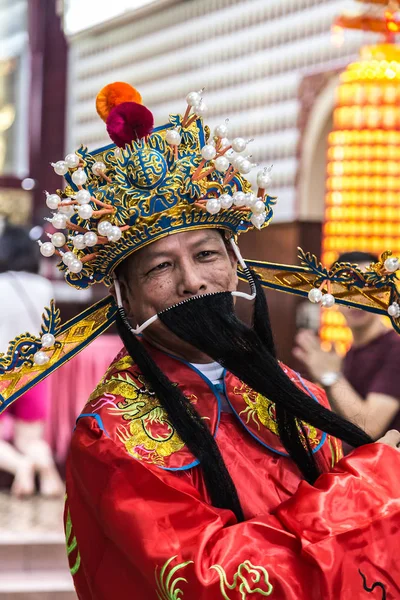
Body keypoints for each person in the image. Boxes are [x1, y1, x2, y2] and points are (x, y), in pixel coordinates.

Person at [1, 82, 400, 599]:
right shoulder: (116, 437)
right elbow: (213, 579)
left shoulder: (293, 388)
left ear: (236, 266)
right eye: (162, 267)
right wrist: (371, 488)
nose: (192, 281)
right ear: (124, 295)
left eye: (207, 255)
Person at [294, 251, 400, 442]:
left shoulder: (396, 349)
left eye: (368, 287)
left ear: (384, 293)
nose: (357, 299)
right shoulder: (349, 354)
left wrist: (331, 376)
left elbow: (369, 428)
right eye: (347, 288)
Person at [0, 222, 64, 497]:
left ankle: (20, 466)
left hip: (2, 368)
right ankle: (48, 476)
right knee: (30, 438)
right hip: (34, 371)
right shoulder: (43, 287)